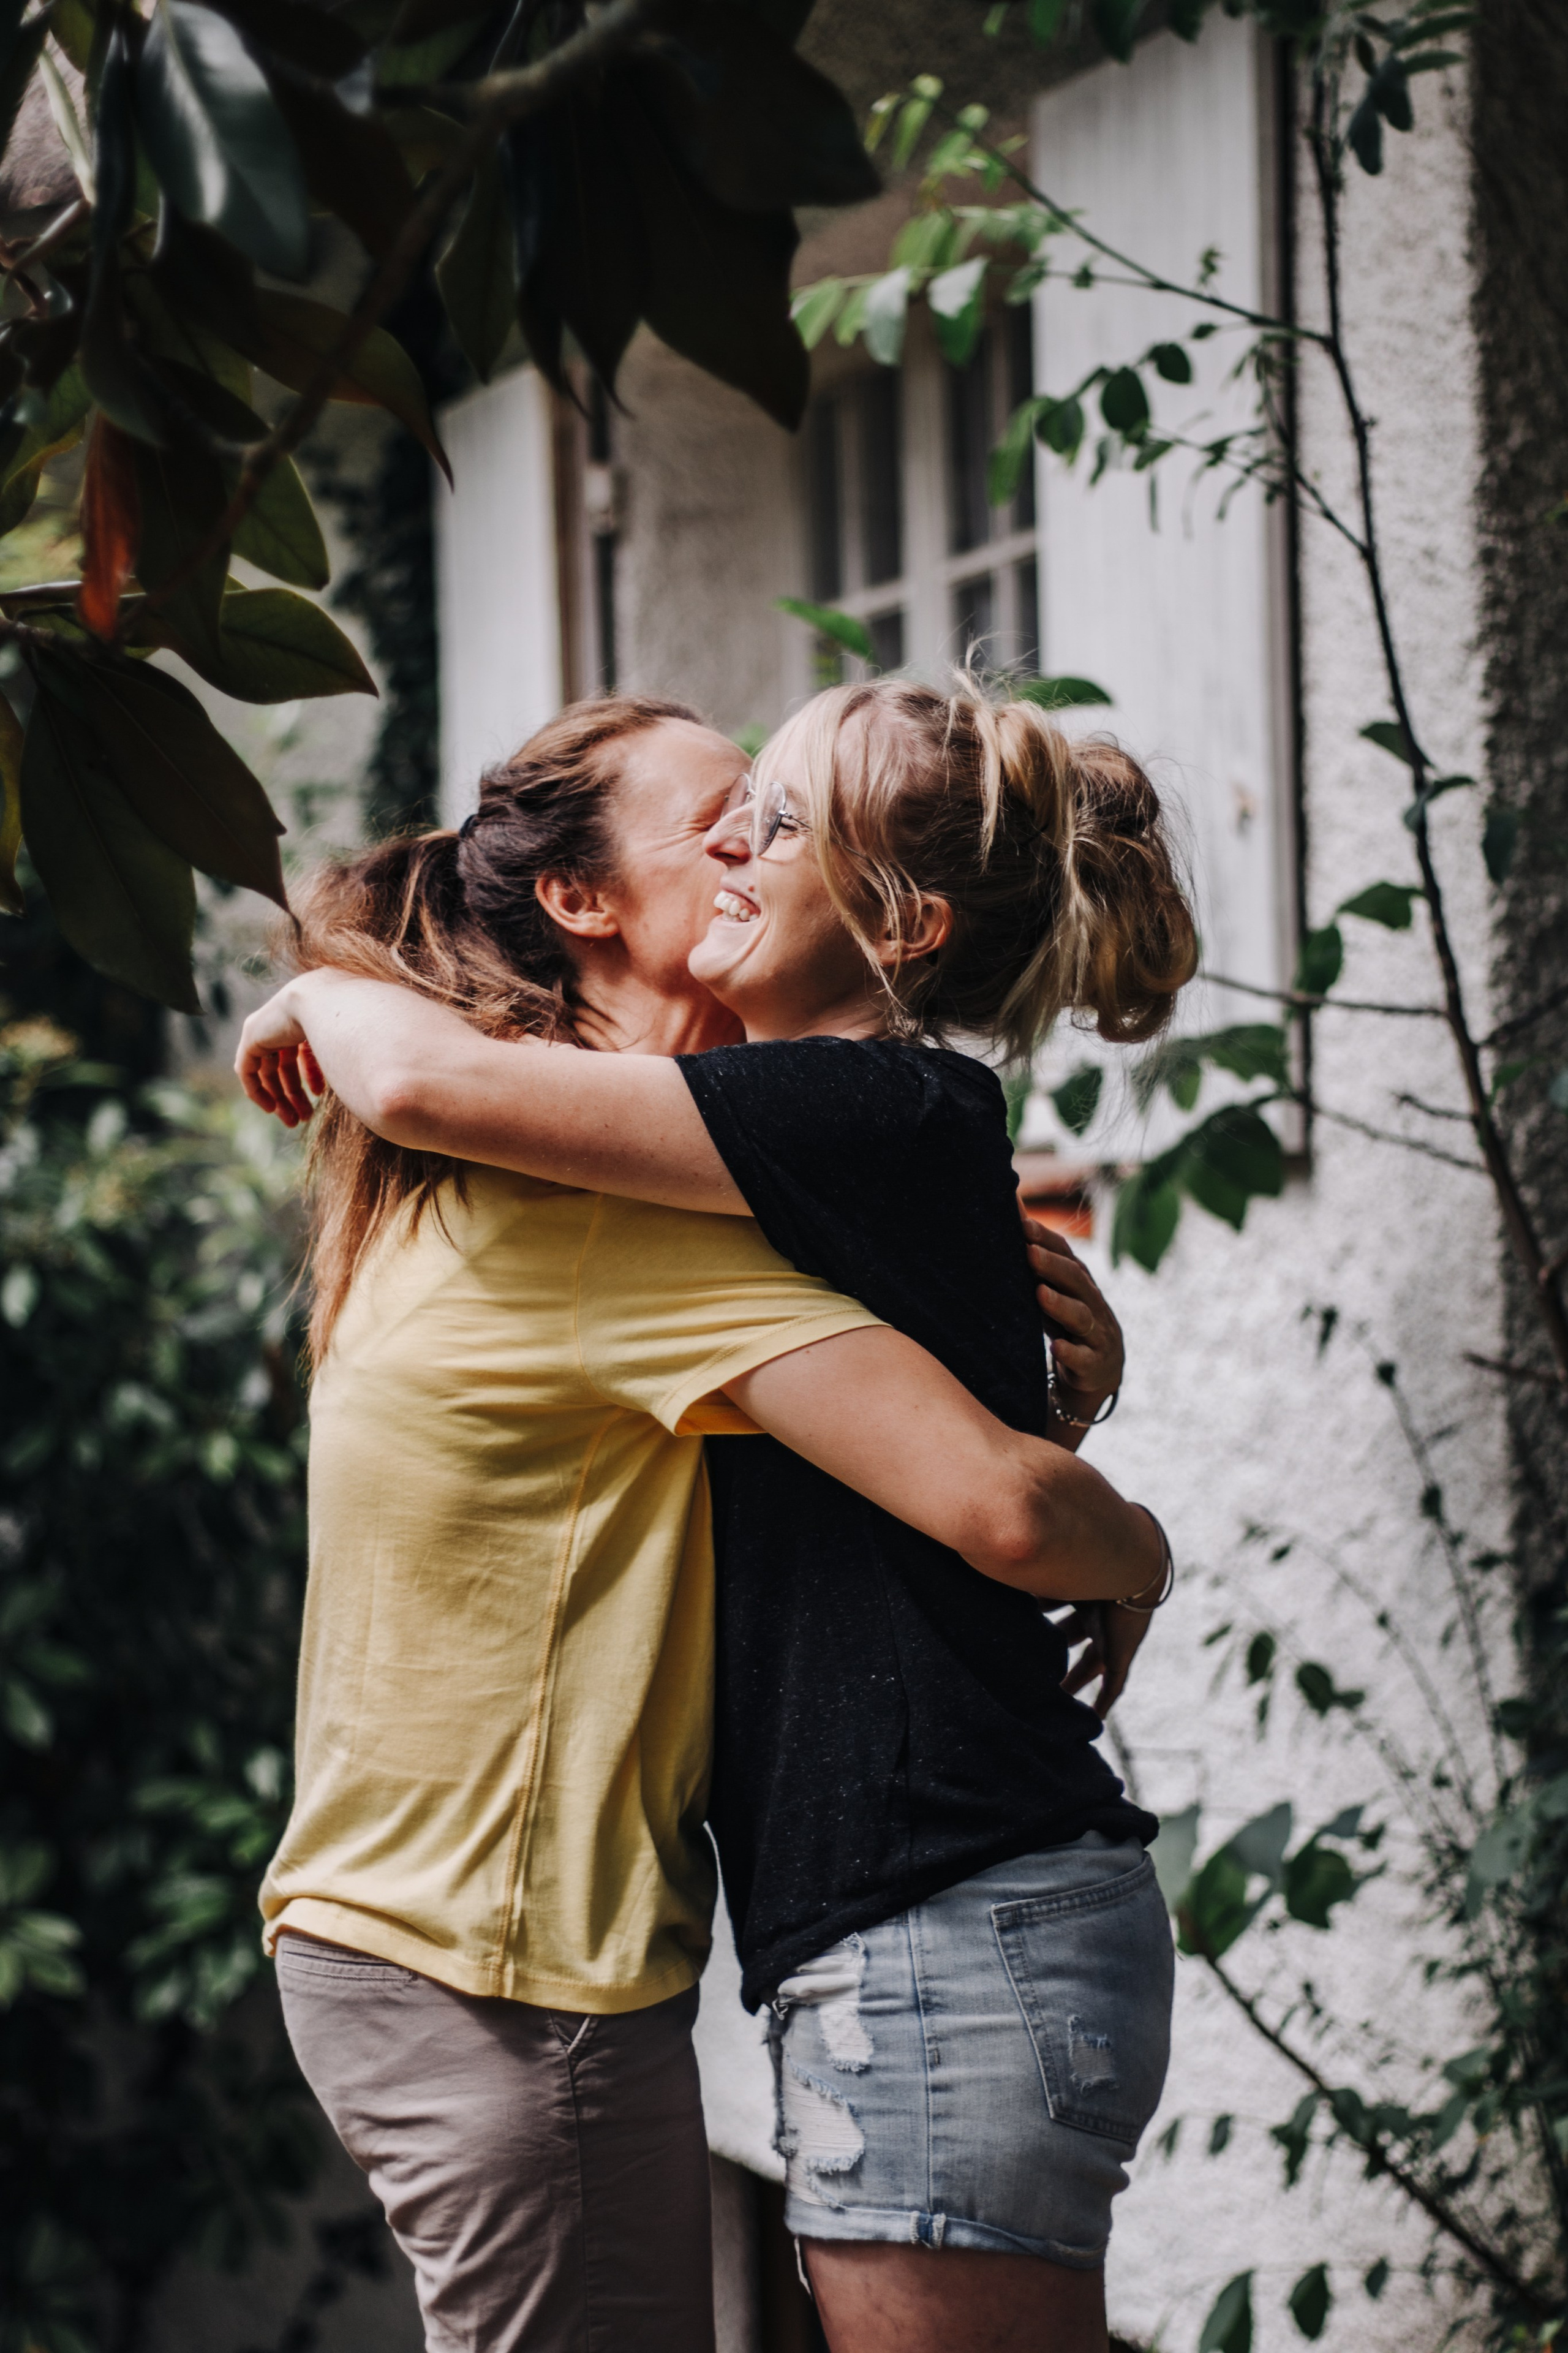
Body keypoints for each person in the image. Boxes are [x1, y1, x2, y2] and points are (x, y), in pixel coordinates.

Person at [242, 692, 1173, 2353]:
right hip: (519, 1969)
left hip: (556, 1944)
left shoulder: (715, 1169)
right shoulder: (618, 1221)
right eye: (721, 819)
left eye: (781, 817)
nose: (747, 839)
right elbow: (997, 1497)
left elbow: (955, 1469)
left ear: (901, 917)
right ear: (583, 903)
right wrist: (1119, 1522)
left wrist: (1057, 1402)